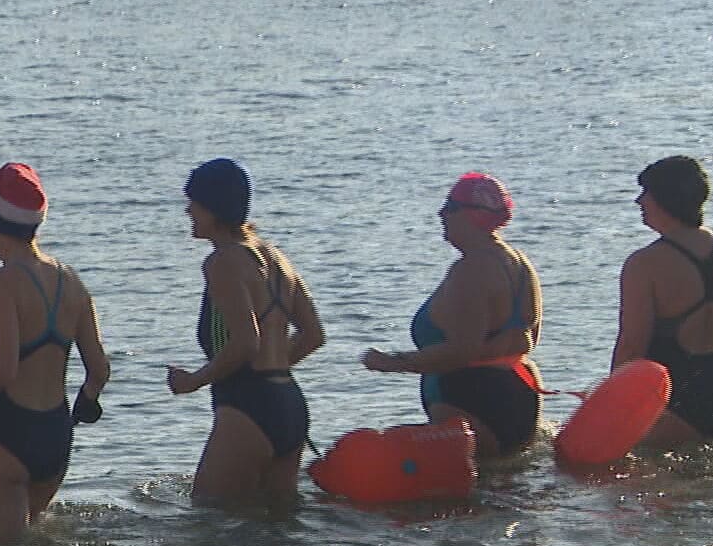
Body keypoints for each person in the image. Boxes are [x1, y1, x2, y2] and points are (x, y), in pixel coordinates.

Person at [0, 164, 109, 542]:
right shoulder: (71, 281)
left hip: (5, 432)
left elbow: (2, 371)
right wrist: (86, 403)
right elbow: (99, 369)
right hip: (55, 433)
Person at [166, 158, 325, 507]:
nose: (188, 210)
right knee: (278, 526)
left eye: (193, 202)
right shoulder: (276, 258)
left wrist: (195, 380)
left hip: (246, 408)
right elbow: (313, 334)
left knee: (208, 520)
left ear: (212, 207)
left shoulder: (222, 262)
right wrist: (273, 370)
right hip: (288, 403)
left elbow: (245, 342)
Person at [363, 173, 545, 456]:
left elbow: (463, 350)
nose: (441, 214)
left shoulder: (470, 269)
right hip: (521, 392)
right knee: (507, 487)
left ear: (472, 215)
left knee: (468, 494)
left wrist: (392, 362)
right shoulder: (519, 262)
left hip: (469, 398)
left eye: (450, 206)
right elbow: (529, 338)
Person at [609, 155, 713, 451]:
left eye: (646, 193)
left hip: (673, 402)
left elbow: (631, 346)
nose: (639, 201)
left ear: (665, 199)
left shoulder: (645, 264)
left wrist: (610, 404)